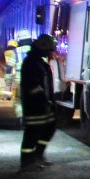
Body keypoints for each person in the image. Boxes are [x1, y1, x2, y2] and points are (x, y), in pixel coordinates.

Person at [19, 33, 57, 171]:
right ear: (42, 48)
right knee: (32, 133)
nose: (50, 53)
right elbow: (32, 87)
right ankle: (27, 162)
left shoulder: (39, 62)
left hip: (44, 105)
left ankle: (38, 155)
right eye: (48, 50)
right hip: (35, 106)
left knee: (50, 128)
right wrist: (43, 100)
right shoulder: (31, 63)